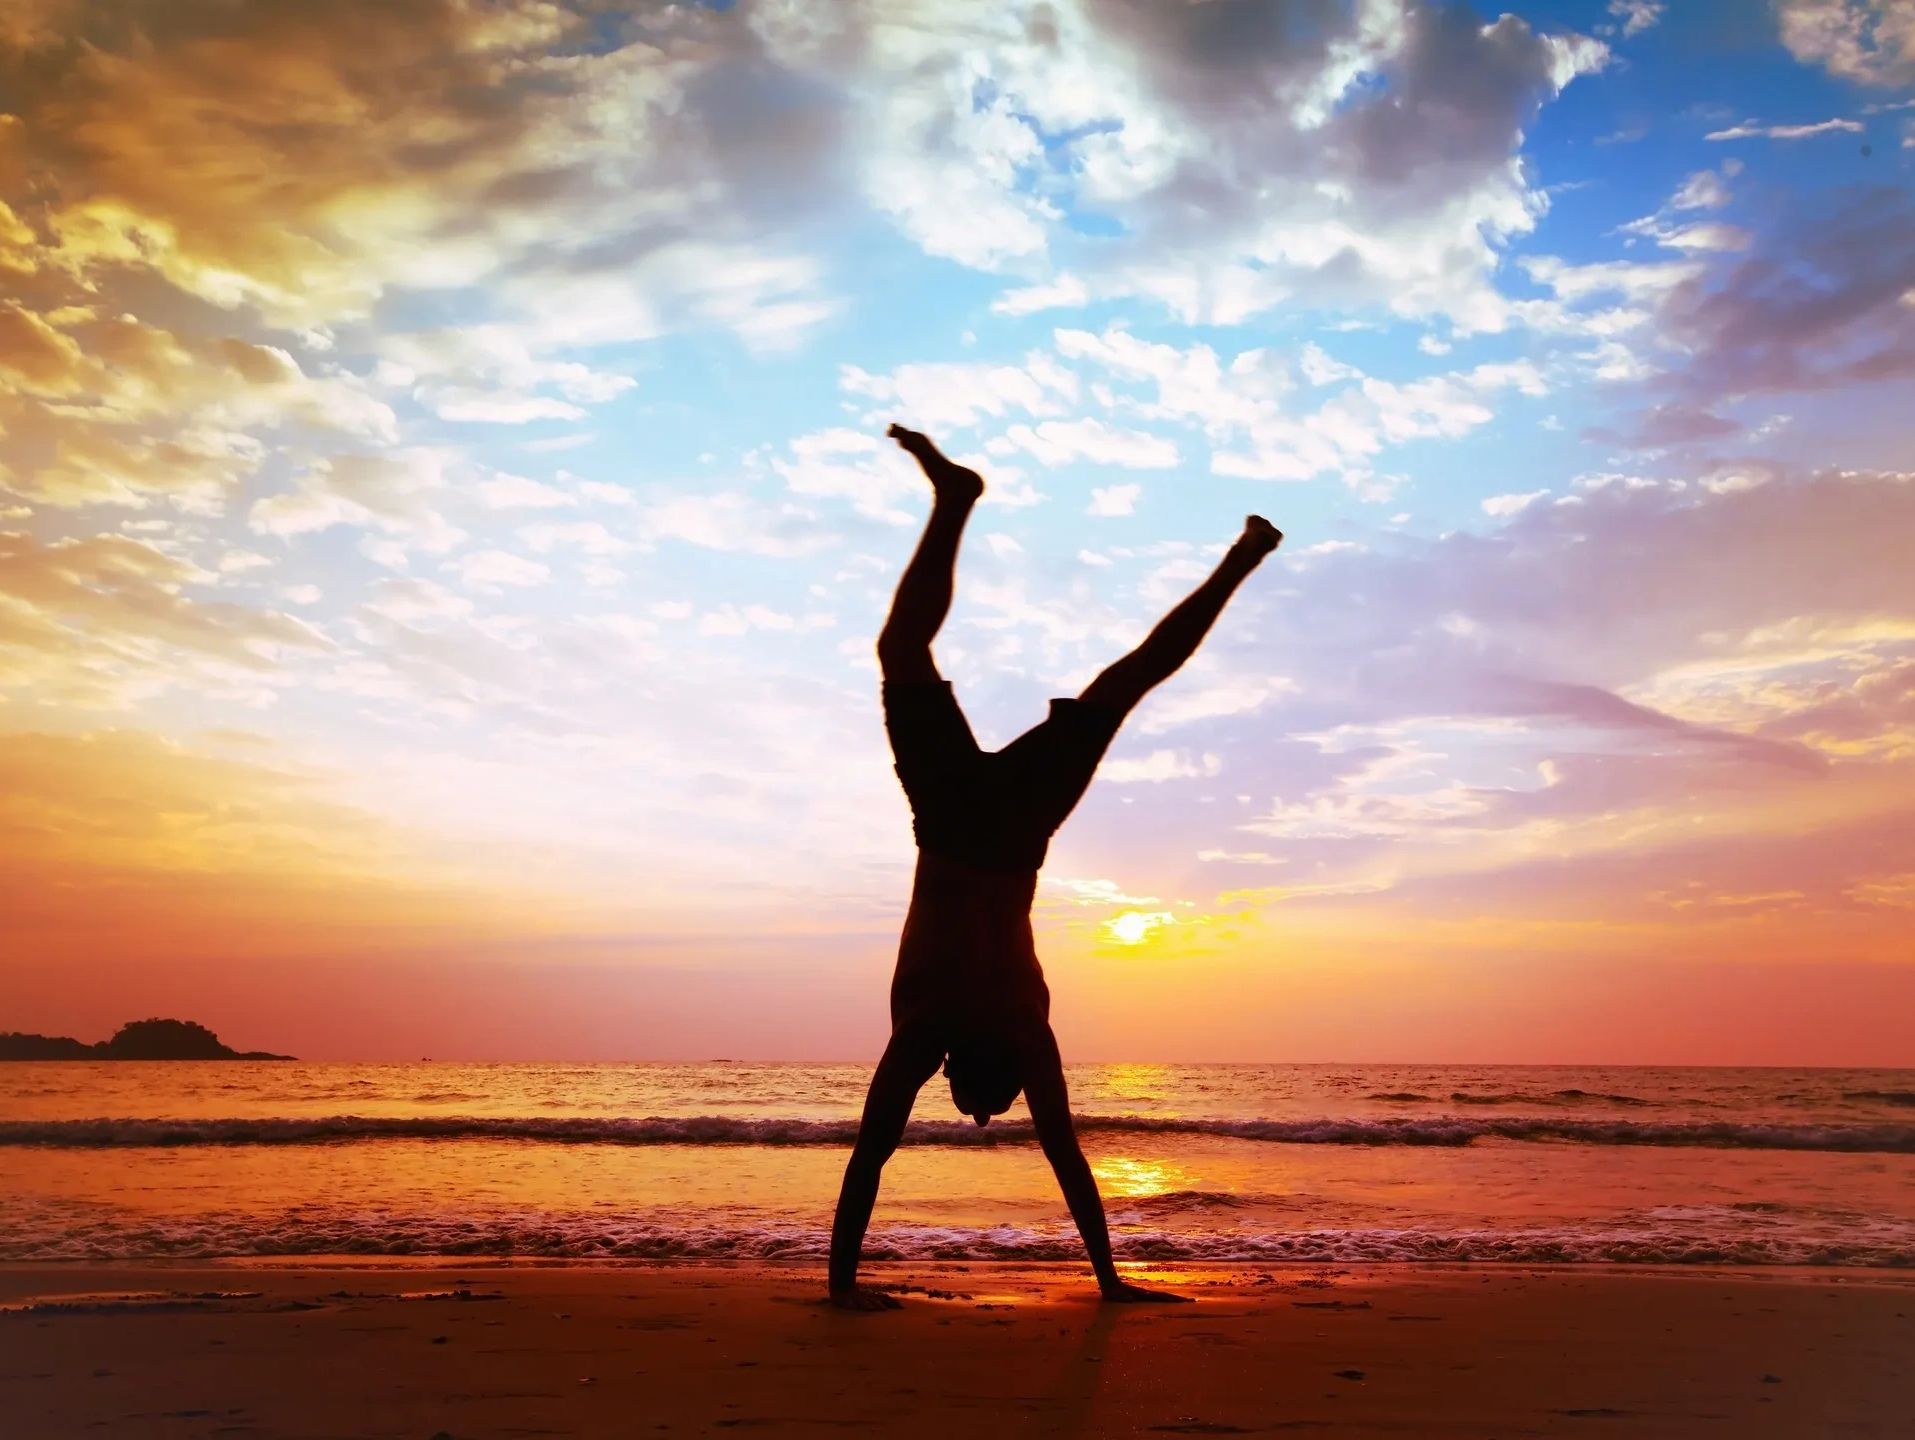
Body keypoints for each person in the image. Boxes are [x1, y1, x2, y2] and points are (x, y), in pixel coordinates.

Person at [827, 423, 1282, 1310]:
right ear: (960, 1070)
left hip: (1013, 831)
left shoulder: (1015, 1028)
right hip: (952, 819)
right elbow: (875, 1152)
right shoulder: (928, 1026)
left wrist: (1114, 1279)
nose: (957, 1101)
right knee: (905, 657)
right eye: (966, 1099)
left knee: (1129, 682)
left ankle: (1241, 559)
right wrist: (840, 1287)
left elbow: (1064, 1156)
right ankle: (955, 502)